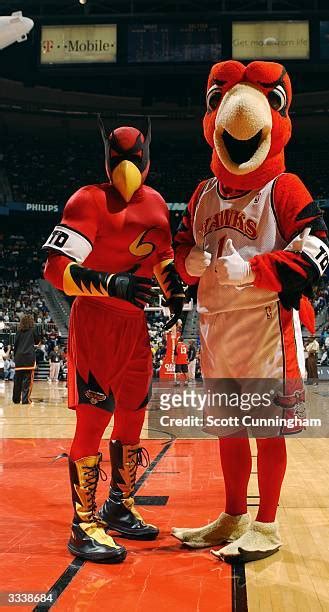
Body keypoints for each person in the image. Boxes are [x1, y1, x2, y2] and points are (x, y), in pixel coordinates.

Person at [172, 60, 329, 563]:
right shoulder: (201, 193)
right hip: (216, 328)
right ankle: (234, 513)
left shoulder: (285, 188)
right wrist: (187, 263)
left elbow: (319, 251)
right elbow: (180, 253)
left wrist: (259, 268)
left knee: (267, 429)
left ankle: (267, 523)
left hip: (267, 328)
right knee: (229, 428)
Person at [43, 120, 184, 564]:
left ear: (146, 159)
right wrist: (110, 284)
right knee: (93, 422)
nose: (126, 166)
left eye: (133, 158)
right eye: (119, 157)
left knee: (132, 419)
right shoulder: (88, 200)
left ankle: (118, 506)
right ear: (107, 157)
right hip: (96, 323)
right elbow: (55, 269)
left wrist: (175, 290)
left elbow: (161, 256)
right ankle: (83, 524)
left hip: (135, 328)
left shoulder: (158, 204)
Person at [12, 315, 40, 404]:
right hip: (29, 357)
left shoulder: (18, 332)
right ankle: (25, 400)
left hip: (19, 357)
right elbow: (38, 341)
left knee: (17, 380)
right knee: (27, 380)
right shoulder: (33, 330)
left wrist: (15, 357)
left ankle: (16, 399)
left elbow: (15, 345)